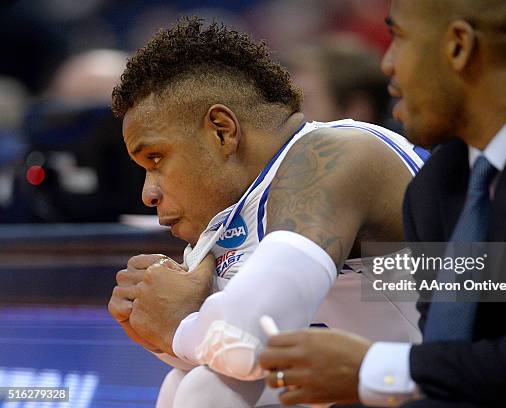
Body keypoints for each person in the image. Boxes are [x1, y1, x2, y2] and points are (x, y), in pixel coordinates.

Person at [259, 0, 506, 406]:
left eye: (398, 39)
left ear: (459, 46)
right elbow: (458, 378)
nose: (387, 65)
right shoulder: (438, 186)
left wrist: (380, 368)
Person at [107, 17, 428, 407]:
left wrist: (176, 324)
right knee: (191, 382)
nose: (148, 193)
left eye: (156, 158)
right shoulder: (233, 213)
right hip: (401, 385)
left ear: (222, 130)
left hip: (485, 377)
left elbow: (245, 343)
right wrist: (151, 322)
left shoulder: (335, 156)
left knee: (213, 388)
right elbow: (219, 349)